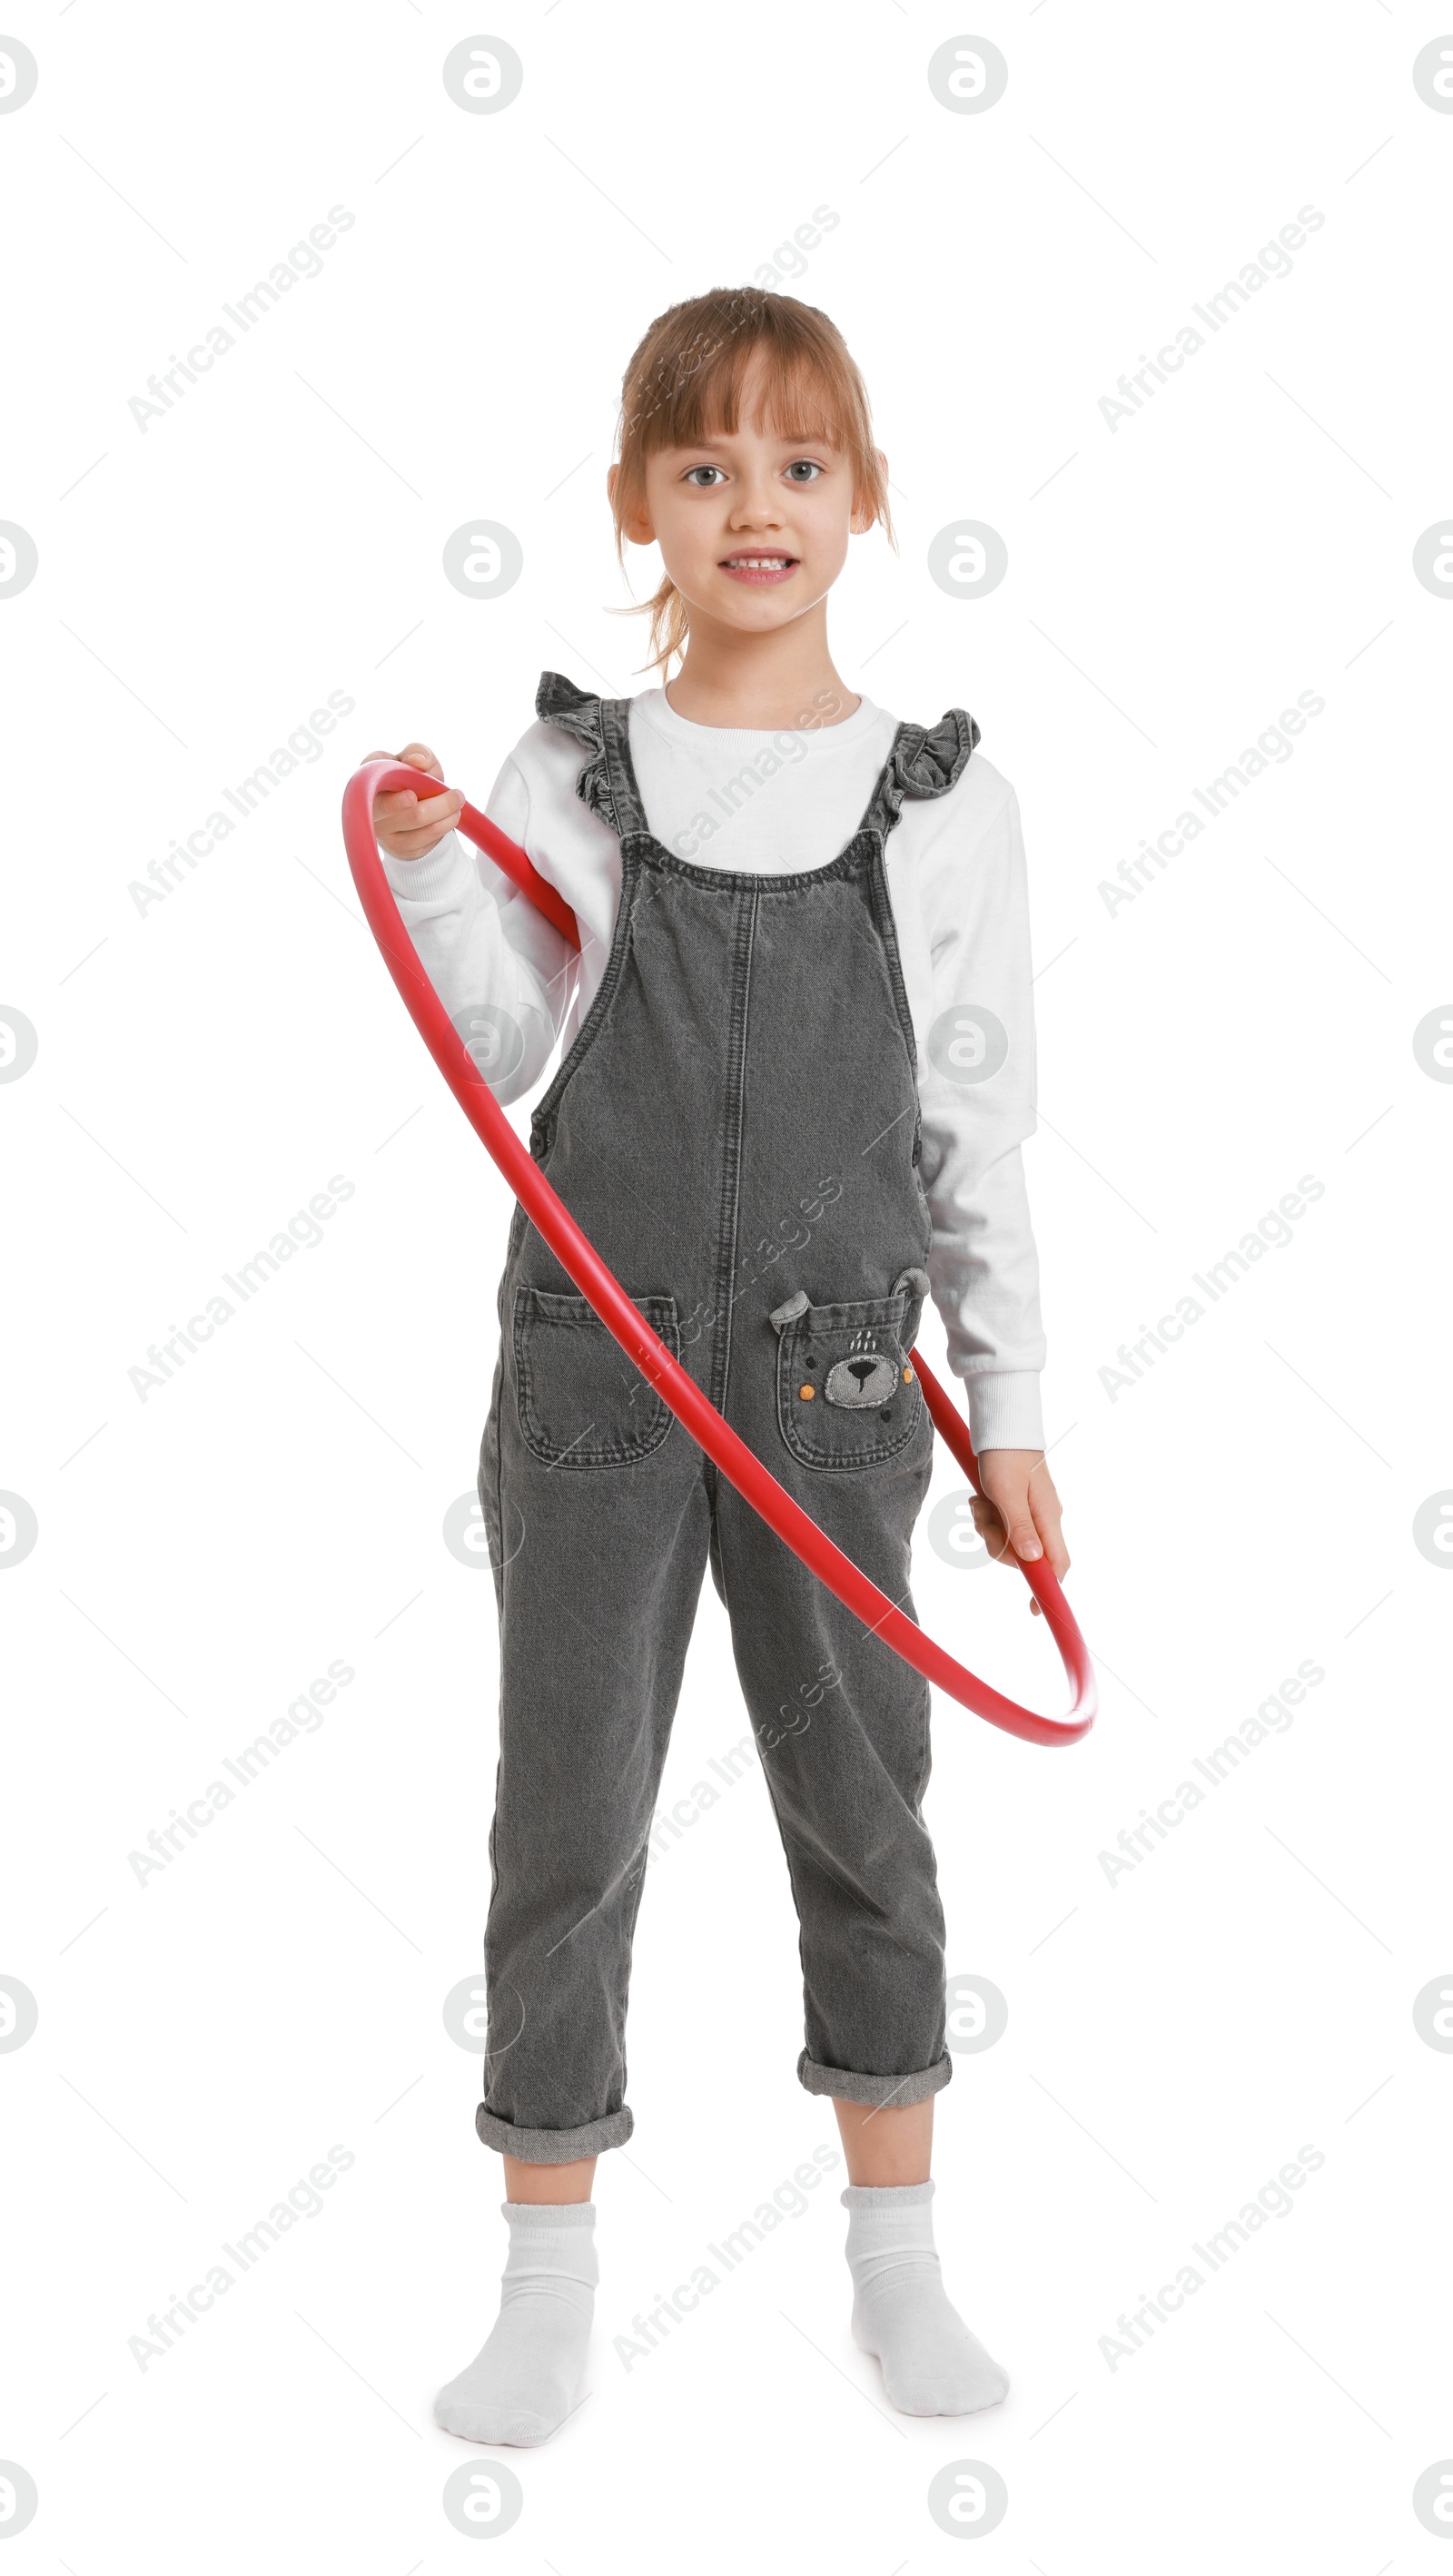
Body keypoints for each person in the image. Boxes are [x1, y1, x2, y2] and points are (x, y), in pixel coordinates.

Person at [364, 286, 1070, 2446]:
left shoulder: (938, 800)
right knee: (562, 1813)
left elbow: (974, 1129)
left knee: (864, 1808)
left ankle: (895, 2263)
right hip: (596, 1360)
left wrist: (1014, 1413)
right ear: (633, 509)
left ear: (861, 502)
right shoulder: (573, 767)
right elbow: (496, 1058)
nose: (747, 504)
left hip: (840, 1383)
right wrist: (423, 879)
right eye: (700, 467)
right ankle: (547, 2286)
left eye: (792, 463)